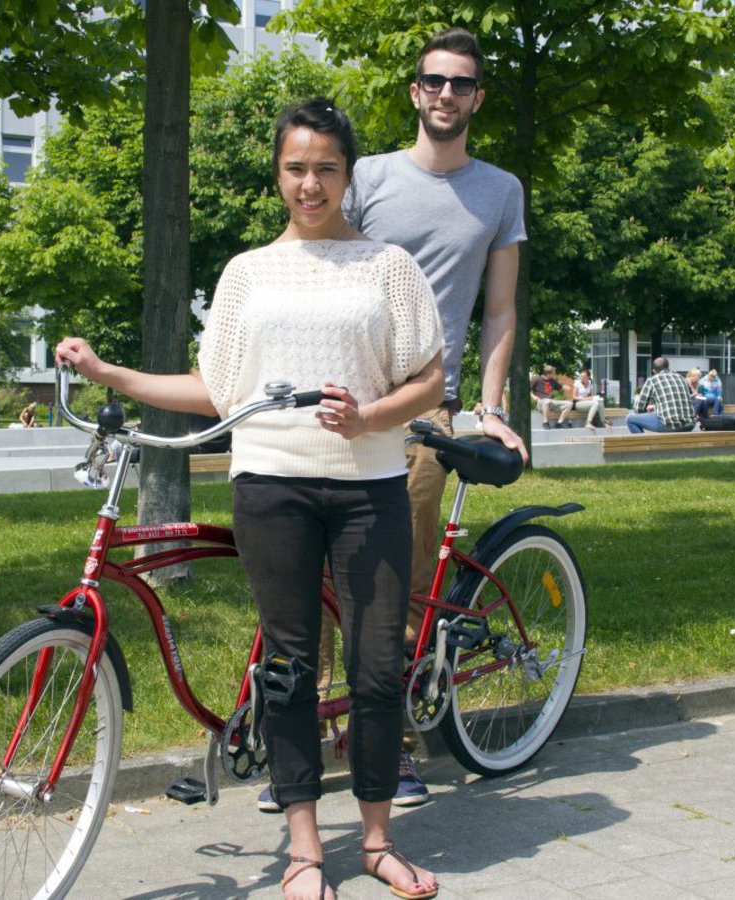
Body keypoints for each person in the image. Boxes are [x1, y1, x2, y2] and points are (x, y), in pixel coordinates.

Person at [56, 99, 442, 900]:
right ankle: (305, 849)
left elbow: (430, 379)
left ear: (348, 174)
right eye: (296, 168)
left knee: (375, 668)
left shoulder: (388, 266)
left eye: (326, 168)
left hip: (370, 486)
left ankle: (376, 840)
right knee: (289, 667)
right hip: (271, 485)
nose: (311, 183)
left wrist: (370, 416)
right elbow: (215, 390)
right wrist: (110, 374)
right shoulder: (246, 274)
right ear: (278, 174)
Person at [306, 26, 527, 812]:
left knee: (391, 583)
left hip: (427, 408)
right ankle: (303, 737)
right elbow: (326, 269)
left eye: (461, 84)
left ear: (476, 98)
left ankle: (390, 746)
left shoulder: (500, 192)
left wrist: (490, 409)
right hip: (339, 399)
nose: (445, 94)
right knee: (315, 574)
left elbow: (499, 312)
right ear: (415, 90)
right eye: (433, 80)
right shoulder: (363, 176)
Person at [626, 357, 697, 433]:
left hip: (669, 425)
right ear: (668, 367)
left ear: (654, 370)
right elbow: (681, 399)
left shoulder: (652, 380)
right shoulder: (681, 378)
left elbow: (639, 408)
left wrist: (647, 412)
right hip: (690, 424)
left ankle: (643, 444)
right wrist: (657, 408)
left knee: (630, 419)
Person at [531, 364, 573, 429]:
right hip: (541, 402)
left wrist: (568, 387)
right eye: (553, 373)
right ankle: (545, 422)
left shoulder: (553, 381)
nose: (554, 375)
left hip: (551, 402)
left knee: (569, 404)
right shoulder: (537, 379)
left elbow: (561, 387)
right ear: (548, 374)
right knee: (547, 401)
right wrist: (533, 396)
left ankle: (559, 423)